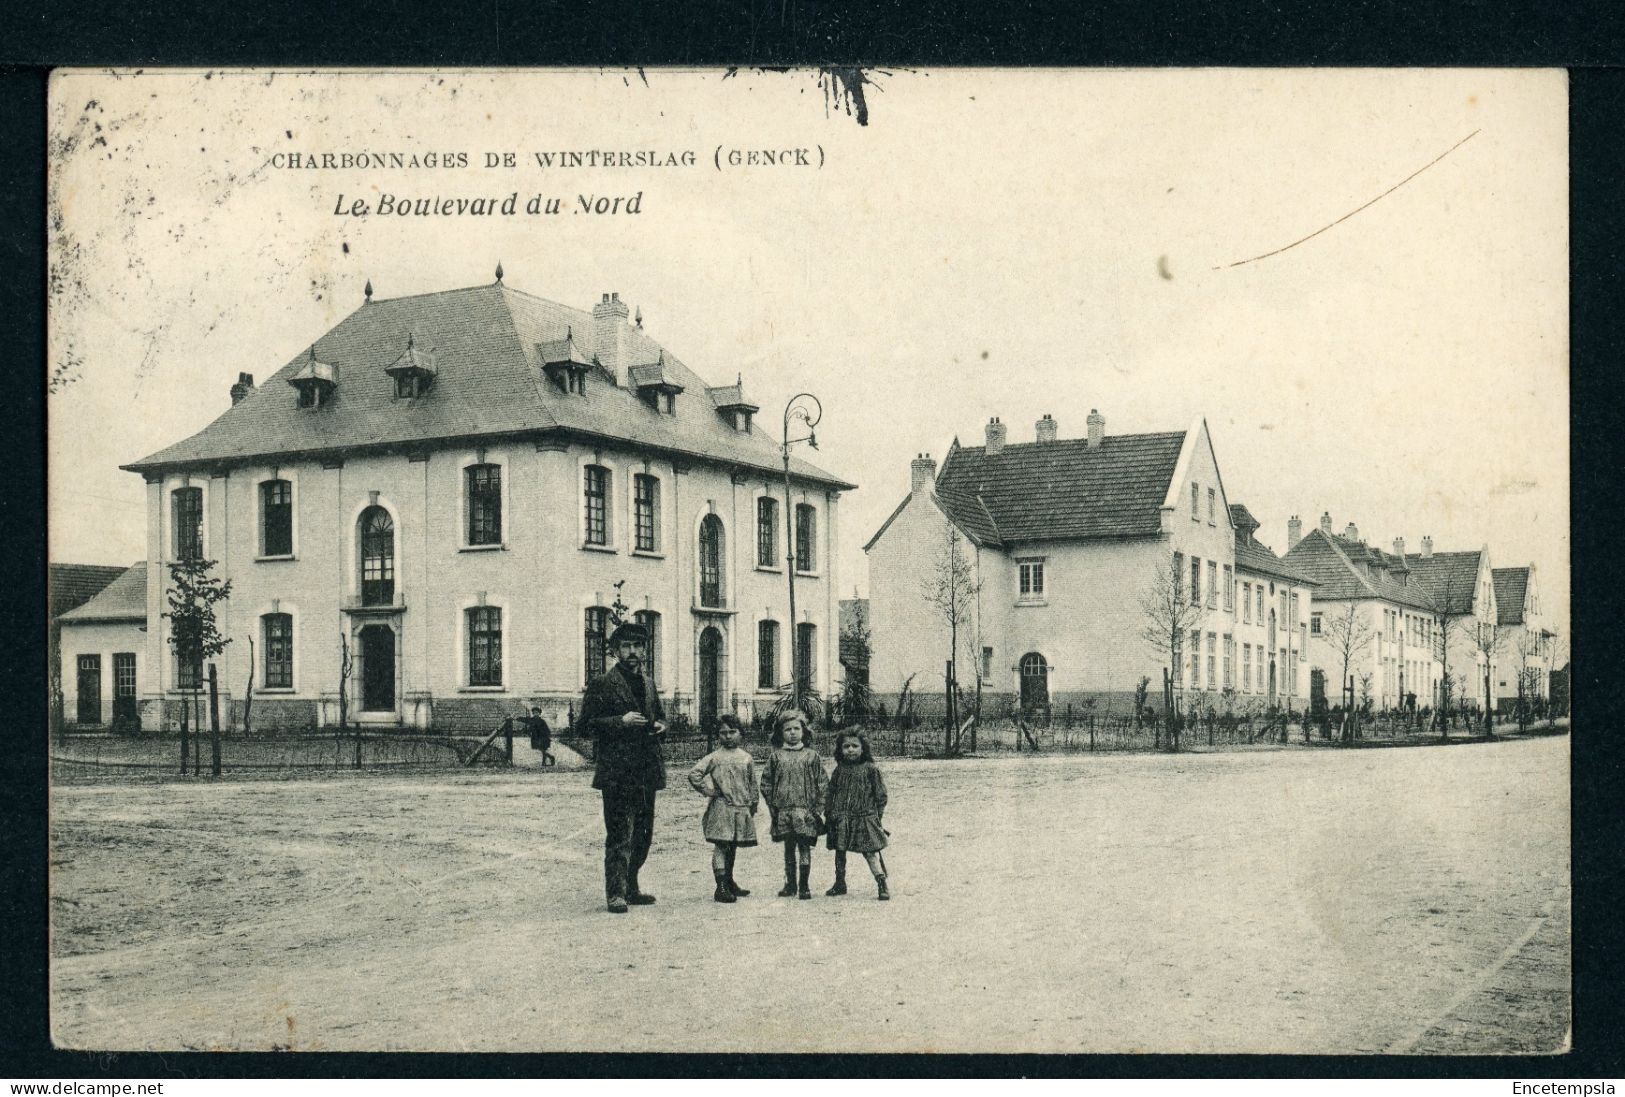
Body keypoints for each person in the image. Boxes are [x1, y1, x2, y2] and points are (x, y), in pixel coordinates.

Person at [577, 621, 667, 914]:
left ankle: (632, 886)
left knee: (644, 833)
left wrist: (660, 726)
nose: (632, 652)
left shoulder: (650, 683)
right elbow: (583, 727)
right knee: (619, 834)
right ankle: (615, 893)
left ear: (644, 650)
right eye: (626, 646)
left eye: (638, 646)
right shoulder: (602, 684)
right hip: (617, 773)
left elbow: (661, 719)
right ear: (615, 651)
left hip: (646, 770)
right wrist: (620, 721)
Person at [686, 714, 759, 903]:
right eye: (723, 733)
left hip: (741, 808)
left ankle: (729, 880)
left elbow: (752, 783)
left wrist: (753, 803)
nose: (727, 736)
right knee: (721, 845)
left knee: (733, 844)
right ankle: (721, 887)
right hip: (722, 809)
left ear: (741, 734)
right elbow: (694, 774)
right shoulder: (715, 757)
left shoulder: (746, 758)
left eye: (732, 732)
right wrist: (708, 790)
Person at [760, 709, 828, 900]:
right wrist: (773, 805)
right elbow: (766, 782)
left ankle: (804, 886)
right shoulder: (776, 756)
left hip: (805, 811)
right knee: (788, 848)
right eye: (787, 729)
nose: (792, 732)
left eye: (796, 728)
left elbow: (822, 783)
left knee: (804, 847)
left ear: (804, 731)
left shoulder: (812, 756)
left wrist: (818, 808)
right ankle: (790, 884)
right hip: (784, 811)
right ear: (780, 732)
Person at [823, 731, 890, 900]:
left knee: (870, 851)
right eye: (846, 746)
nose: (850, 750)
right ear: (840, 749)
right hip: (842, 818)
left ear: (863, 749)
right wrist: (830, 813)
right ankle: (840, 882)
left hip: (864, 817)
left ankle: (881, 883)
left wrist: (876, 817)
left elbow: (881, 796)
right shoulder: (839, 770)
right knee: (840, 850)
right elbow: (831, 793)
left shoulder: (871, 769)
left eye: (855, 746)